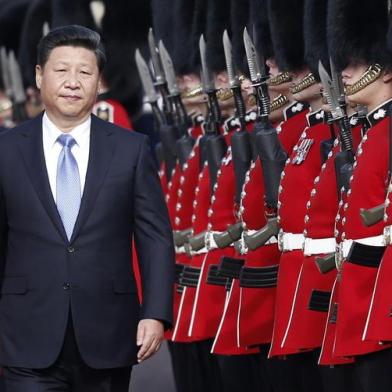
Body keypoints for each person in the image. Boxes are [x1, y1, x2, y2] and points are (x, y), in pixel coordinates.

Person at [0, 24, 174, 391]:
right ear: (39, 75)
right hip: (23, 334)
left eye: (85, 72)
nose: (72, 82)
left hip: (107, 334)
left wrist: (156, 313)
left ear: (99, 82)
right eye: (61, 70)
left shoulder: (131, 149)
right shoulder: (7, 150)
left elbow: (154, 235)